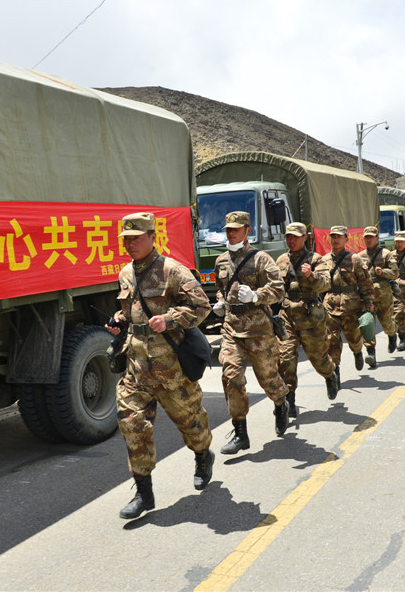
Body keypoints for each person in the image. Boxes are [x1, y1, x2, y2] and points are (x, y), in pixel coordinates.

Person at [107, 212, 214, 519]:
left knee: (191, 423)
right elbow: (131, 312)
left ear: (152, 237)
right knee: (131, 423)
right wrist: (119, 320)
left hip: (171, 366)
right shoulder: (125, 273)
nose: (130, 244)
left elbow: (201, 307)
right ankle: (144, 493)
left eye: (136, 238)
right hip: (137, 365)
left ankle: (203, 455)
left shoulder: (172, 270)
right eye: (126, 239)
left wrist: (169, 320)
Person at [212, 211, 289, 453]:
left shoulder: (261, 259)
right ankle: (241, 433)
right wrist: (220, 303)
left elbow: (278, 289)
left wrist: (257, 296)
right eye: (228, 229)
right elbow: (220, 289)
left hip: (259, 331)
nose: (231, 232)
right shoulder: (221, 261)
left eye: (236, 229)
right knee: (231, 378)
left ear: (248, 231)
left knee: (269, 380)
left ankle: (281, 403)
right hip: (232, 329)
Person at [276, 222, 338, 418]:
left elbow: (326, 283)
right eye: (288, 236)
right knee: (286, 359)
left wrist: (311, 276)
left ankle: (330, 374)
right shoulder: (281, 260)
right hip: (288, 316)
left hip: (310, 317)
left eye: (295, 236)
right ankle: (290, 401)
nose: (291, 240)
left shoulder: (316, 260)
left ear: (305, 238)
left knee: (318, 358)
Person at [323, 225, 374, 388]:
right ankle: (334, 374)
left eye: (339, 236)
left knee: (354, 338)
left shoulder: (355, 260)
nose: (335, 239)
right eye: (333, 236)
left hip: (352, 306)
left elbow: (365, 282)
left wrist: (368, 302)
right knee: (331, 341)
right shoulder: (323, 261)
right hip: (330, 307)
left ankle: (358, 352)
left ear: (346, 239)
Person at [356, 226, 399, 365]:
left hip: (384, 294)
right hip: (367, 294)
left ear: (377, 238)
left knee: (386, 323)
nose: (368, 240)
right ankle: (371, 354)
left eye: (371, 237)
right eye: (366, 238)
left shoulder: (386, 254)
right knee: (368, 324)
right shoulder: (359, 256)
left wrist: (384, 272)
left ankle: (392, 335)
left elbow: (395, 273)